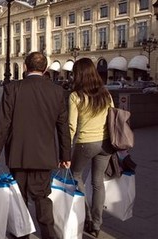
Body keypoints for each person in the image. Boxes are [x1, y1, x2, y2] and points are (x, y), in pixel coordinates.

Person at [0, 52, 71, 239]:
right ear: (46, 69)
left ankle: (21, 234)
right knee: (42, 199)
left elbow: (3, 123)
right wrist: (66, 156)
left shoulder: (12, 88)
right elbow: (63, 127)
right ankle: (48, 235)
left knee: (19, 199)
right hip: (44, 156)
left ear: (25, 67)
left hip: (18, 154)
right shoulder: (57, 91)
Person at [68, 58, 114, 238]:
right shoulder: (106, 93)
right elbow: (112, 117)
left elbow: (72, 126)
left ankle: (86, 216)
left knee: (76, 175)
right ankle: (96, 224)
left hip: (86, 143)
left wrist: (66, 150)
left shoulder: (76, 95)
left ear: (78, 75)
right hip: (106, 143)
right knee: (98, 183)